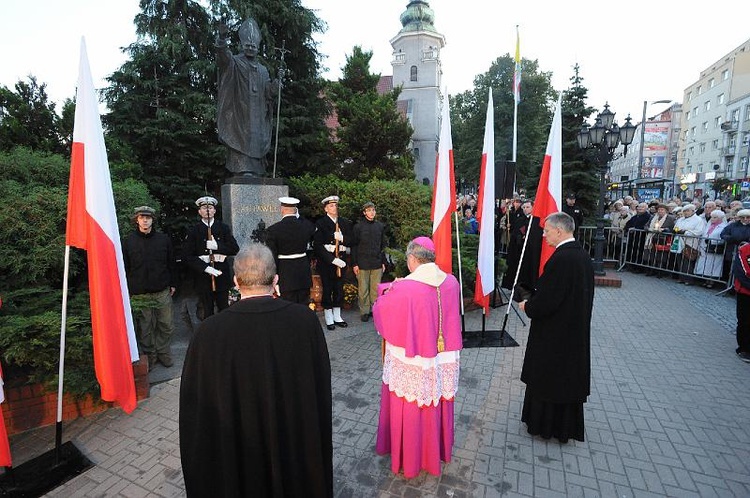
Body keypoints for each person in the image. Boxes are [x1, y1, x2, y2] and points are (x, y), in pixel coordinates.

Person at [179, 244, 332, 497]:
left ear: (236, 282)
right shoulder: (304, 321)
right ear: (276, 280)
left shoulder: (208, 332)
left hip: (236, 454)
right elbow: (319, 388)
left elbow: (196, 408)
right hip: (291, 445)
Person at [372, 236, 462, 478]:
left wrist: (392, 289)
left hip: (416, 358)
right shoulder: (451, 282)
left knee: (412, 403)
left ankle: (412, 457)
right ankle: (438, 449)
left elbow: (382, 310)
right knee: (437, 398)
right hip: (442, 357)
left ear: (412, 259)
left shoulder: (406, 287)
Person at [518, 212, 594, 443]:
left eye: (547, 231)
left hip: (555, 334)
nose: (544, 235)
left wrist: (528, 306)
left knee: (550, 380)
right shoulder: (580, 255)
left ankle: (546, 426)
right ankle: (563, 427)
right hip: (571, 330)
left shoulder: (562, 259)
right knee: (565, 380)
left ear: (560, 231)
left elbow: (549, 299)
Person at [215, 18, 281, 177]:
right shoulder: (235, 63)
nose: (250, 48)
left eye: (254, 46)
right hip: (239, 112)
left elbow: (269, 93)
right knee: (241, 138)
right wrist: (222, 38)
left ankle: (257, 171)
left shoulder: (263, 70)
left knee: (257, 141)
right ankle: (242, 169)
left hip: (258, 115)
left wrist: (277, 84)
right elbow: (223, 57)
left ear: (258, 48)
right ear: (242, 45)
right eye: (248, 45)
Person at [122, 206, 177, 370]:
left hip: (162, 291)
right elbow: (125, 266)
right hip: (139, 293)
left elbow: (171, 263)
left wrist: (173, 283)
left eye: (148, 217)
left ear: (153, 220)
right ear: (136, 220)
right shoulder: (128, 241)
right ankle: (150, 355)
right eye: (141, 217)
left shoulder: (163, 240)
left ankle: (163, 352)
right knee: (145, 328)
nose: (145, 220)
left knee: (166, 325)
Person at [183, 196, 240, 320]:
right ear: (199, 212)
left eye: (210, 207)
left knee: (224, 308)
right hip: (203, 276)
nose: (207, 210)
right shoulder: (194, 230)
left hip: (221, 274)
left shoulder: (223, 228)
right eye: (204, 208)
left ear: (214, 211)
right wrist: (205, 268)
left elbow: (234, 248)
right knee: (207, 311)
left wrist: (218, 246)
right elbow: (187, 256)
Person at [265, 196, 317, 304]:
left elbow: (272, 255)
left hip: (285, 272)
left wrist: (274, 275)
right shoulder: (306, 226)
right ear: (296, 210)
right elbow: (312, 229)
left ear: (282, 209)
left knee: (287, 305)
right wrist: (299, 216)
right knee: (303, 304)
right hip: (303, 271)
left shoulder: (273, 230)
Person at [313, 195, 353, 330]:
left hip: (341, 261)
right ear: (325, 209)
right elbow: (317, 245)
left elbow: (352, 240)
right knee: (328, 289)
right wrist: (332, 259)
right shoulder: (321, 223)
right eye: (331, 206)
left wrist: (342, 238)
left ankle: (337, 316)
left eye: (335, 205)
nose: (334, 208)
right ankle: (329, 317)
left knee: (338, 289)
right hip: (327, 263)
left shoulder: (343, 222)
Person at [351, 202, 386, 322]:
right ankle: (364, 311)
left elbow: (382, 246)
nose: (372, 212)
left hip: (376, 262)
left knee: (376, 289)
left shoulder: (380, 226)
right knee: (363, 290)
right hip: (362, 263)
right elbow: (354, 246)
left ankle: (375, 310)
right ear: (364, 212)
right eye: (369, 210)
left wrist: (383, 262)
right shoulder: (358, 227)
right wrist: (354, 263)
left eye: (373, 210)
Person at [502, 200, 542, 290]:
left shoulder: (537, 220)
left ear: (533, 207)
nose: (525, 209)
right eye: (523, 207)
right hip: (519, 250)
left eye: (527, 207)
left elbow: (537, 236)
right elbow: (515, 234)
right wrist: (518, 237)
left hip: (531, 251)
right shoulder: (520, 220)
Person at [732, 241, 750, 362]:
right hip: (745, 292)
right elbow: (741, 271)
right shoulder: (745, 250)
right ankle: (744, 348)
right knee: (745, 321)